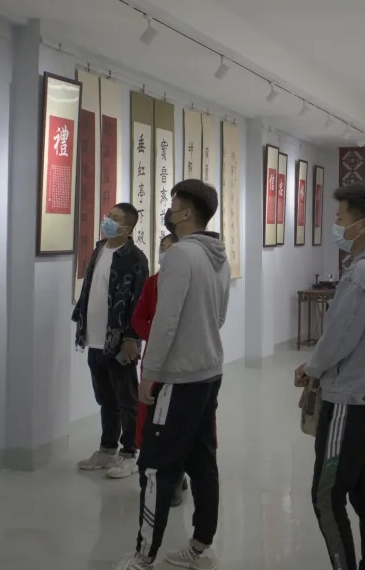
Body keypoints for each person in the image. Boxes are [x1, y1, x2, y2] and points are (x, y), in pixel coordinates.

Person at [120, 179, 229, 570]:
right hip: (208, 371)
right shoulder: (218, 254)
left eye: (174, 204)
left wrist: (149, 374)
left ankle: (143, 556)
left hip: (178, 378)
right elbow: (219, 316)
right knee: (202, 462)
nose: (170, 211)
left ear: (186, 212)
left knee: (155, 467)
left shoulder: (181, 255)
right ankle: (199, 546)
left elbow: (165, 322)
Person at [295, 183, 365, 570]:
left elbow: (339, 338)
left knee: (327, 495)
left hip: (351, 400)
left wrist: (312, 368)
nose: (336, 226)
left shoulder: (362, 275)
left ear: (362, 225)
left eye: (341, 219)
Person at [73, 203, 150, 481]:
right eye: (109, 216)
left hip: (119, 342)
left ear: (127, 228)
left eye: (115, 218)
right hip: (94, 339)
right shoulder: (99, 250)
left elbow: (139, 302)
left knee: (126, 399)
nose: (107, 220)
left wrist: (131, 338)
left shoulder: (135, 259)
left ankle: (129, 453)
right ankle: (107, 449)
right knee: (105, 397)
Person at [129, 230, 188, 509]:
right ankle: (155, 477)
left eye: (170, 247)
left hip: (181, 362)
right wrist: (156, 335)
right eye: (162, 247)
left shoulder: (189, 282)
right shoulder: (152, 282)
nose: (164, 252)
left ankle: (176, 477)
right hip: (154, 361)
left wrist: (172, 336)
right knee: (151, 421)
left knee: (176, 422)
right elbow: (138, 317)